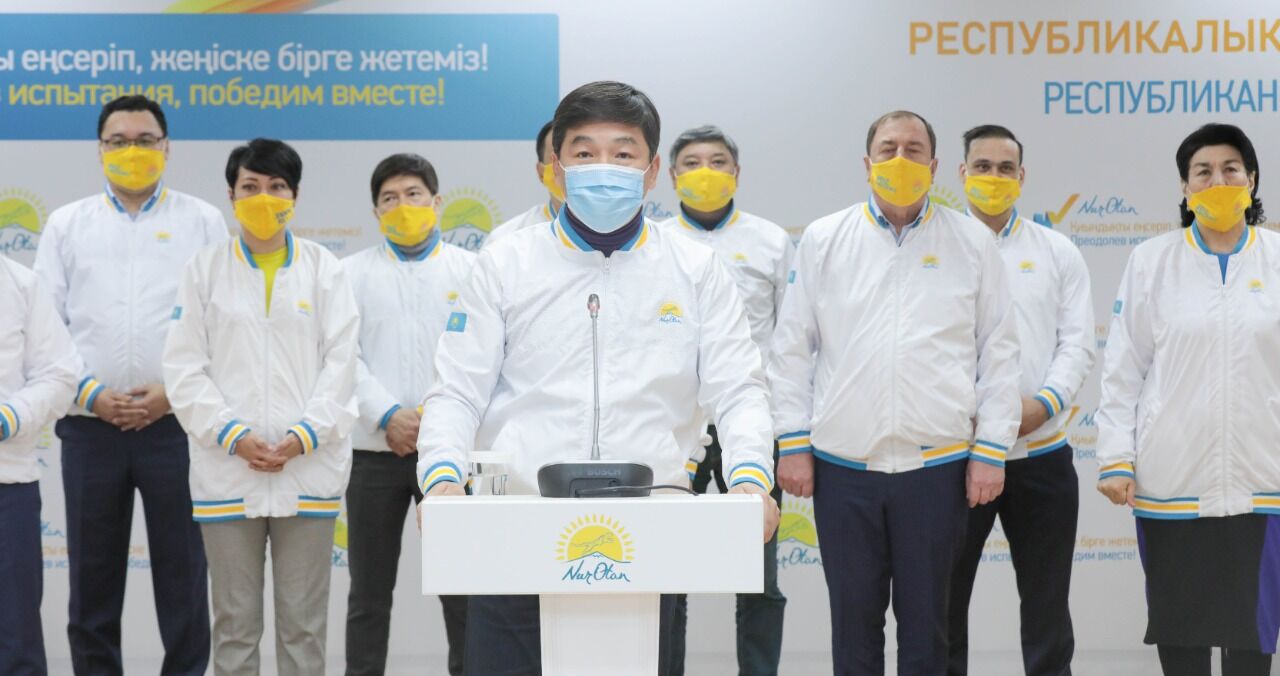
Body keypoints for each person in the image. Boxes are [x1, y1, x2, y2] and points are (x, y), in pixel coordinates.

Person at [415, 80, 780, 675]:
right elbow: (456, 389)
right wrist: (442, 479)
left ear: (653, 170)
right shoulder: (505, 262)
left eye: (623, 152)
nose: (603, 167)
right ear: (556, 167)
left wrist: (749, 479)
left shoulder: (694, 268)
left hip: (650, 531)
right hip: (518, 528)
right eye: (584, 153)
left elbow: (739, 389)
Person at [769, 110, 1021, 675]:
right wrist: (793, 442)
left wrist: (991, 450)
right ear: (867, 163)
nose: (900, 160)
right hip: (843, 469)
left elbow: (999, 353)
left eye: (913, 150)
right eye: (888, 149)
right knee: (853, 626)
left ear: (934, 165)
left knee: (929, 629)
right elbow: (792, 350)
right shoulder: (825, 239)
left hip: (937, 469)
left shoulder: (972, 242)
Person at [34, 94, 224, 675]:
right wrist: (90, 393)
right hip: (91, 430)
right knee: (92, 584)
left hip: (176, 429)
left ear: (167, 148)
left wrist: (174, 393)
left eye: (145, 140)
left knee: (184, 581)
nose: (132, 151)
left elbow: (220, 324)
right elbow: (44, 327)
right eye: (118, 142)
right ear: (100, 150)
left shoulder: (202, 221)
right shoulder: (67, 225)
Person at [163, 138, 360, 676]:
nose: (263, 197)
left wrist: (304, 436)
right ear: (231, 195)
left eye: (276, 187)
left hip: (308, 470)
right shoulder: (204, 270)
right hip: (229, 471)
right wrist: (232, 435)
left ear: (295, 196)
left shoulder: (324, 269)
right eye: (250, 186)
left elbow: (343, 365)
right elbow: (183, 367)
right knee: (234, 630)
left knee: (303, 631)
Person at [1097, 123, 1277, 676]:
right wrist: (1115, 457)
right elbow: (1122, 369)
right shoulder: (1152, 261)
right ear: (1184, 187)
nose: (1217, 180)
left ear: (1251, 180)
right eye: (1203, 171)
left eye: (1230, 169)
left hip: (1262, 486)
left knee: (1252, 645)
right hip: (1172, 487)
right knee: (1182, 646)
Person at [947, 125, 1095, 676]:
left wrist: (1043, 405)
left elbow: (1077, 343)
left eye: (1005, 168)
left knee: (1047, 606)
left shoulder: (1056, 251)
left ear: (1022, 176)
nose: (994, 177)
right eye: (982, 167)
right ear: (962, 174)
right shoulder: (936, 248)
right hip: (956, 456)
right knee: (942, 603)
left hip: (1041, 455)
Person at [658, 124, 792, 676]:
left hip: (750, 426)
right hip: (675, 430)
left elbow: (790, 341)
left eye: (717, 162)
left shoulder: (771, 241)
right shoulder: (655, 243)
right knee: (666, 575)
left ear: (737, 172)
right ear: (671, 177)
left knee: (759, 577)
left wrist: (783, 428)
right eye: (691, 163)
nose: (705, 172)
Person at [343, 153, 474, 676]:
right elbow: (340, 357)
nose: (403, 206)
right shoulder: (349, 274)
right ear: (376, 211)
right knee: (368, 595)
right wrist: (387, 415)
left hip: (451, 458)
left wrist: (435, 421)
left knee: (462, 592)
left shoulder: (471, 272)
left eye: (414, 194)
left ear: (437, 202)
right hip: (375, 453)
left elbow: (479, 358)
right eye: (389, 198)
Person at [0, 254, 79, 675]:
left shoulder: (20, 284)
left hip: (7, 486)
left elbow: (60, 374)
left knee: (16, 640)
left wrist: (10, 417)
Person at [483, 120, 563, 248]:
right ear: (541, 173)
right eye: (557, 159)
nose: (569, 168)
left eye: (583, 155)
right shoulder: (504, 242)